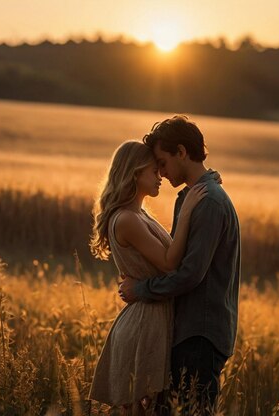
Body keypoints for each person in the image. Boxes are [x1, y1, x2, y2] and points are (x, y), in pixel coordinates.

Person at [118, 115, 241, 413]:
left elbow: (188, 275)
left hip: (200, 333)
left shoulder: (208, 202)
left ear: (182, 153)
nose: (160, 171)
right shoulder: (190, 198)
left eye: (162, 162)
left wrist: (141, 289)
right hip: (187, 330)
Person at [88, 140, 208, 414]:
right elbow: (168, 264)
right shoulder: (127, 219)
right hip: (144, 324)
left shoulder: (140, 214)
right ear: (135, 174)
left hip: (153, 317)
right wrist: (188, 211)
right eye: (154, 171)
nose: (161, 177)